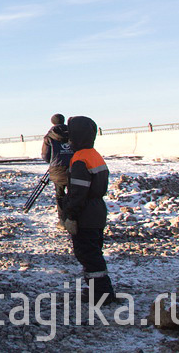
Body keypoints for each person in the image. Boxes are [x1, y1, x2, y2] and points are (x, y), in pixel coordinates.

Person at [62, 115, 116, 306]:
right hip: (97, 210)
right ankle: (98, 289)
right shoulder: (93, 154)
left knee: (87, 253)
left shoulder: (79, 159)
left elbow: (78, 193)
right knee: (93, 251)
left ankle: (101, 294)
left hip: (86, 213)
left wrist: (71, 215)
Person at [40, 113, 73, 223]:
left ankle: (63, 221)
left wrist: (53, 161)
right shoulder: (73, 133)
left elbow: (45, 155)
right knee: (74, 194)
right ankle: (74, 219)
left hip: (57, 169)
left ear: (52, 122)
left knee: (60, 195)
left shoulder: (49, 136)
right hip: (74, 168)